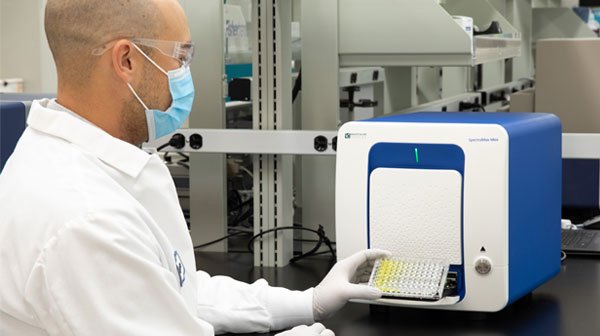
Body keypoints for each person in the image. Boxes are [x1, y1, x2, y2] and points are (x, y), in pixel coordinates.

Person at [0, 0, 390, 335]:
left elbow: (174, 291)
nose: (186, 74)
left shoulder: (93, 162)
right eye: (181, 57)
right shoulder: (85, 219)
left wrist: (310, 302)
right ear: (127, 61)